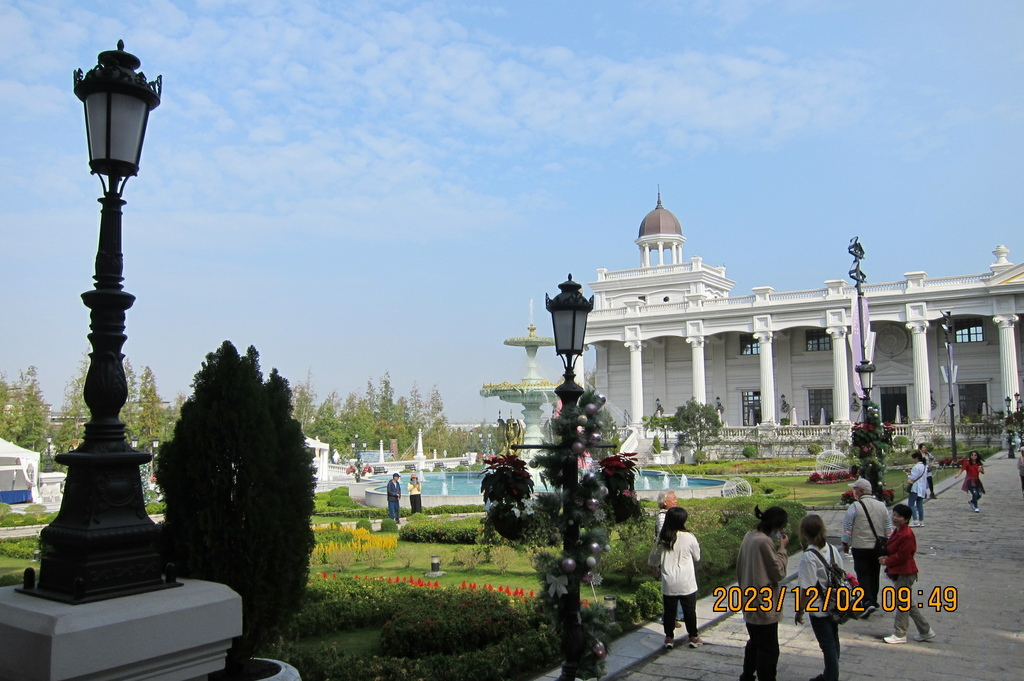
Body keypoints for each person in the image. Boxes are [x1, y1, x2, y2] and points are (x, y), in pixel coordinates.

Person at [737, 506, 789, 681]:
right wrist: (782, 549)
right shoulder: (764, 542)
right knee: (769, 649)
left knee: (755, 642)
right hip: (763, 601)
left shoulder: (750, 535)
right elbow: (778, 572)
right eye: (781, 528)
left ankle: (747, 675)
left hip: (749, 596)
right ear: (776, 526)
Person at [879, 504, 936, 644]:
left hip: (904, 572)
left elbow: (903, 555)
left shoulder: (906, 534)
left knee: (903, 604)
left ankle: (900, 633)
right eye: (894, 514)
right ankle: (925, 630)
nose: (895, 518)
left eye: (898, 516)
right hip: (899, 571)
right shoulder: (897, 531)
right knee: (908, 603)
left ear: (906, 519)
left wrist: (887, 561)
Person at [795, 514, 842, 681]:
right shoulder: (831, 549)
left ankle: (831, 677)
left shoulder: (809, 557)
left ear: (804, 532)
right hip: (835, 602)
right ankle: (830, 674)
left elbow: (806, 589)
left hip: (820, 607)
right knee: (833, 641)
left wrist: (799, 610)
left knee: (827, 646)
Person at [648, 506, 702, 649]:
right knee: (689, 611)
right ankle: (693, 636)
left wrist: (655, 567)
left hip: (669, 581)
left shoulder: (663, 538)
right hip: (686, 582)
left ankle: (669, 638)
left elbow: (653, 559)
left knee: (669, 612)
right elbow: (697, 557)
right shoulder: (689, 537)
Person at [841, 478, 891, 616]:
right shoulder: (882, 506)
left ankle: (867, 601)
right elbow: (888, 528)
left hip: (860, 545)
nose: (854, 491)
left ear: (861, 491)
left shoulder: (855, 507)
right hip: (877, 546)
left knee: (862, 573)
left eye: (855, 489)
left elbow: (847, 527)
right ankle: (873, 599)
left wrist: (845, 542)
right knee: (874, 573)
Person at [905, 452, 928, 526]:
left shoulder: (916, 467)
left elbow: (913, 478)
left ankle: (915, 520)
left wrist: (908, 474)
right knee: (919, 505)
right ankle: (921, 521)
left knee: (911, 504)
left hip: (915, 487)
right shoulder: (924, 466)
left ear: (916, 459)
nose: (913, 460)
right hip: (922, 487)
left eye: (913, 458)